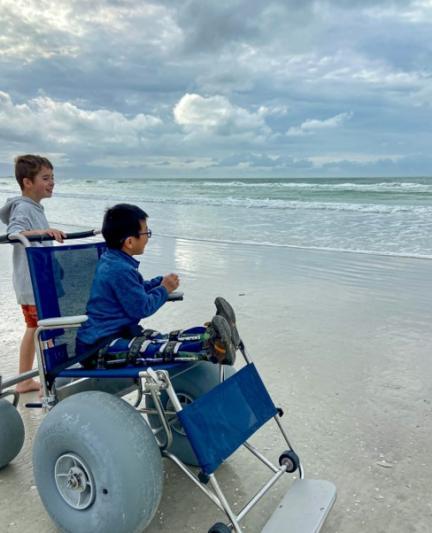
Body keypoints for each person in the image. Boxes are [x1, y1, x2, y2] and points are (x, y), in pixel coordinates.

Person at [75, 203, 240, 369]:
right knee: (156, 349)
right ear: (130, 242)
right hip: (98, 348)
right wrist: (164, 289)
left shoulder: (113, 261)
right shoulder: (119, 269)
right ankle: (215, 348)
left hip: (117, 334)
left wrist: (158, 282)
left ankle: (215, 334)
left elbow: (134, 290)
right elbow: (142, 307)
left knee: (162, 338)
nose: (147, 236)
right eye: (146, 232)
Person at [0, 155, 65, 392]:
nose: (52, 182)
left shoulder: (34, 207)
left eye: (52, 177)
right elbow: (14, 233)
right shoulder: (24, 207)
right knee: (43, 329)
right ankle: (46, 377)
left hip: (38, 282)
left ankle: (25, 379)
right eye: (45, 178)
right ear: (27, 182)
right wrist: (44, 232)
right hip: (32, 284)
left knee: (34, 328)